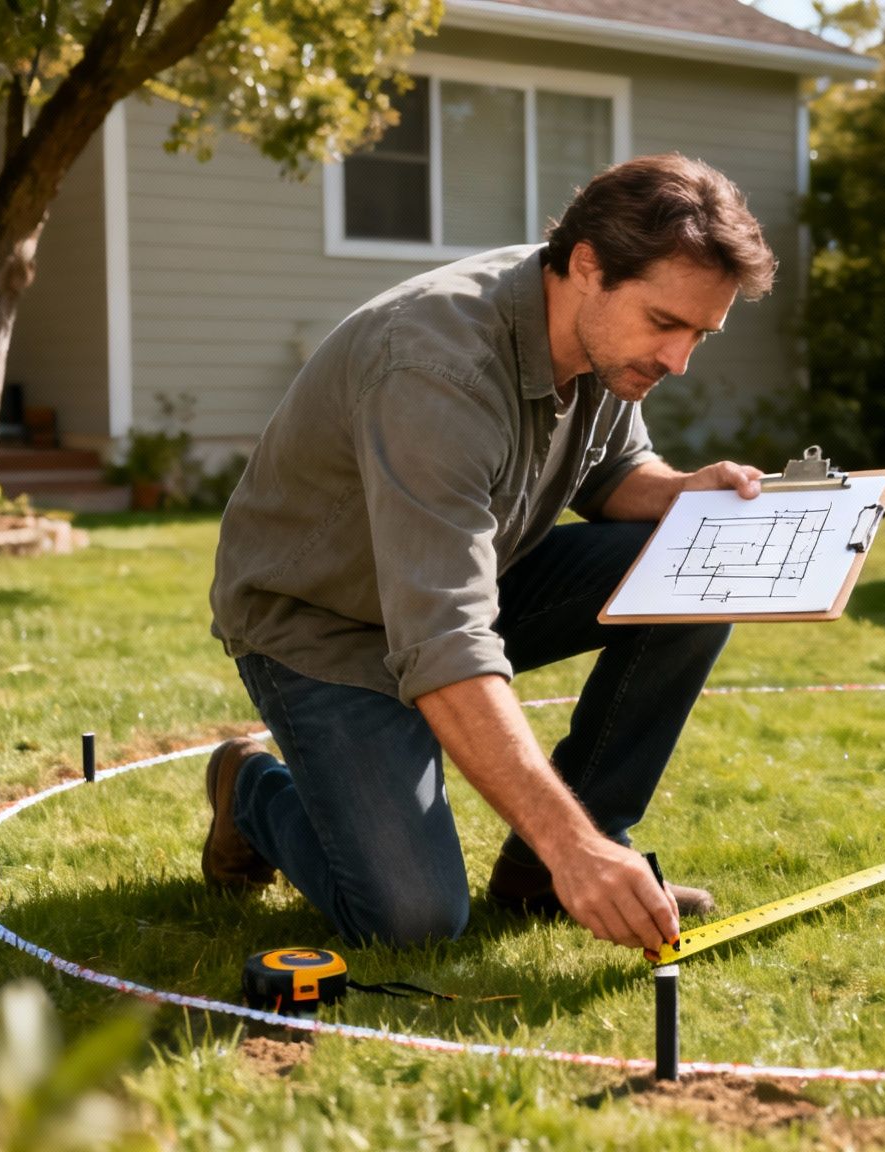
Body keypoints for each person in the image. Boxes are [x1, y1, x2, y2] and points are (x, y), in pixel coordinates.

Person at [203, 153, 778, 958]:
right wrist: (571, 845)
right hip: (321, 624)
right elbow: (444, 643)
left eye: (699, 335)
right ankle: (252, 790)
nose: (677, 359)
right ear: (589, 266)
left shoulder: (595, 337)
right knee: (413, 921)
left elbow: (611, 472)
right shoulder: (434, 370)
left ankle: (541, 873)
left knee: (695, 571)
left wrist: (685, 493)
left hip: (466, 582)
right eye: (664, 323)